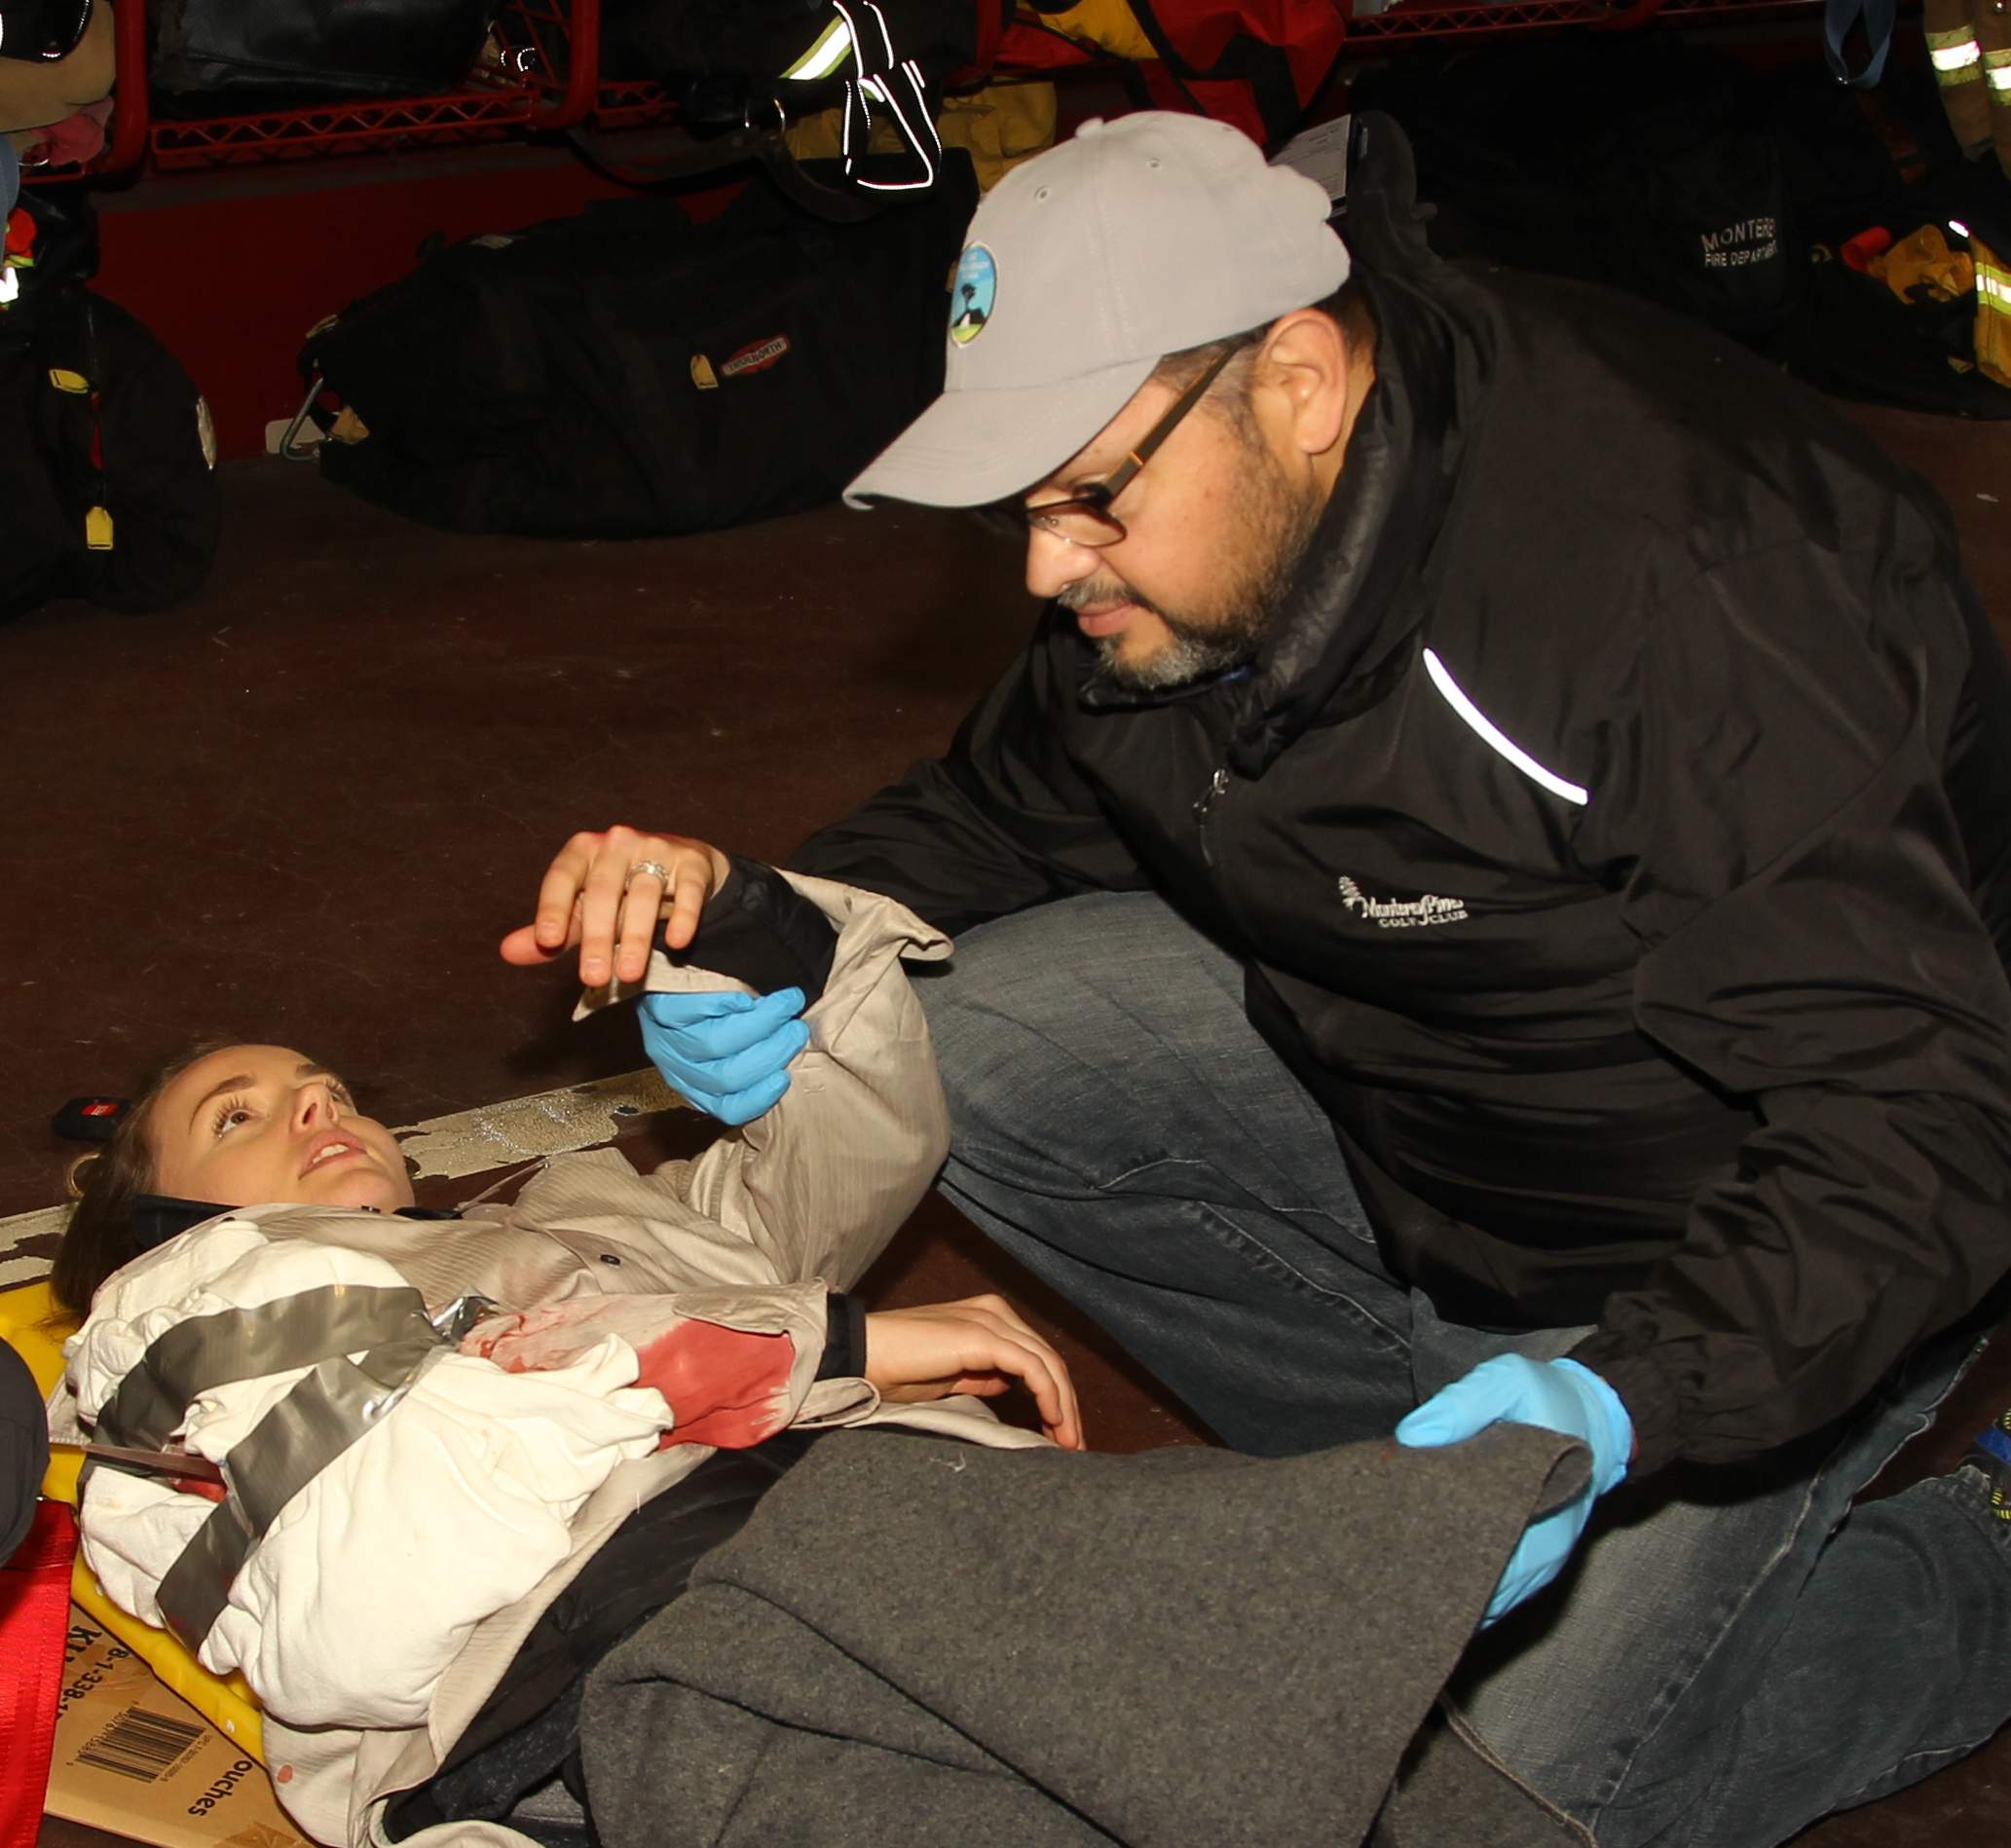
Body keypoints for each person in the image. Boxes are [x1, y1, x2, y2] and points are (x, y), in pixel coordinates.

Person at [516, 112, 2011, 1846]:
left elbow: (1921, 1112)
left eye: (1087, 496)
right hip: (1433, 1100)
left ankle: (1968, 1545)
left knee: (1464, 1805)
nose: (1042, 566)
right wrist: (767, 925)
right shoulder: (1196, 551)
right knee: (939, 1029)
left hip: (1773, 1197)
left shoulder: (1681, 594)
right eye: (1019, 505)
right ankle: (1424, 1485)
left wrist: (1630, 1397)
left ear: (1298, 380)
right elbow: (1001, 808)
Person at [53, 850, 1078, 1848]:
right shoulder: (173, 1305)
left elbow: (851, 1159)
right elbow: (403, 1526)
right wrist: (804, 1346)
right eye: (236, 1117)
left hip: (932, 1509)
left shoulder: (585, 1211)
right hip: (652, 1628)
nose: (320, 1105)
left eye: (330, 1090)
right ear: (159, 1220)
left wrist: (751, 931)